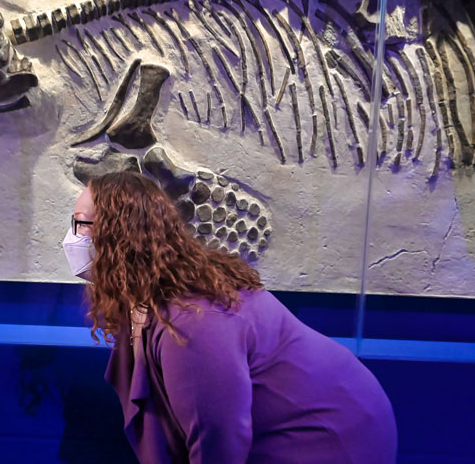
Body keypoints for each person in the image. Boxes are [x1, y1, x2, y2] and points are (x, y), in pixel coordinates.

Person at [62, 171, 397, 463]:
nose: (72, 237)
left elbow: (218, 440)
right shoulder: (156, 296)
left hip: (328, 439)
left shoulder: (191, 321)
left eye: (81, 223)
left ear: (119, 236)